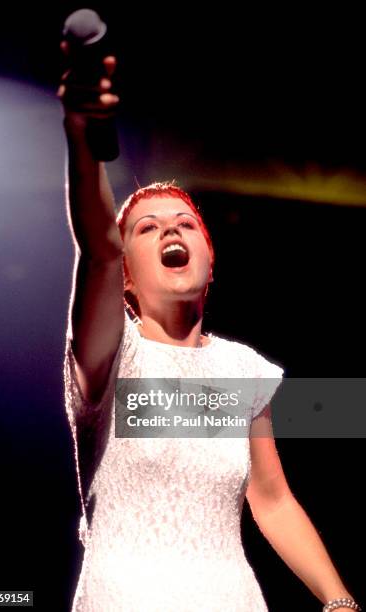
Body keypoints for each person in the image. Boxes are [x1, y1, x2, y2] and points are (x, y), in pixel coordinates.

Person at [59, 48, 361, 612]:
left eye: (186, 224)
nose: (170, 229)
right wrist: (82, 135)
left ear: (209, 257)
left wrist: (339, 600)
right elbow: (97, 246)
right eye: (147, 228)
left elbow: (271, 502)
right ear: (125, 279)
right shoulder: (112, 355)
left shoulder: (242, 368)